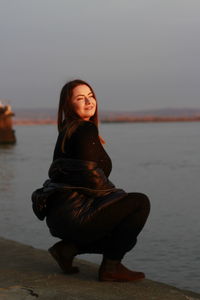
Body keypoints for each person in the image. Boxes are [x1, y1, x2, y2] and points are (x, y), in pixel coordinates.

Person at [45, 79, 150, 282]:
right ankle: (110, 267)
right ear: (68, 105)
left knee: (125, 231)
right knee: (139, 204)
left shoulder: (68, 130)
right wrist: (120, 198)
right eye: (80, 98)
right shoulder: (84, 129)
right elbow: (92, 179)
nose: (89, 101)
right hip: (75, 215)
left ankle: (67, 249)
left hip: (62, 216)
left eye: (91, 96)